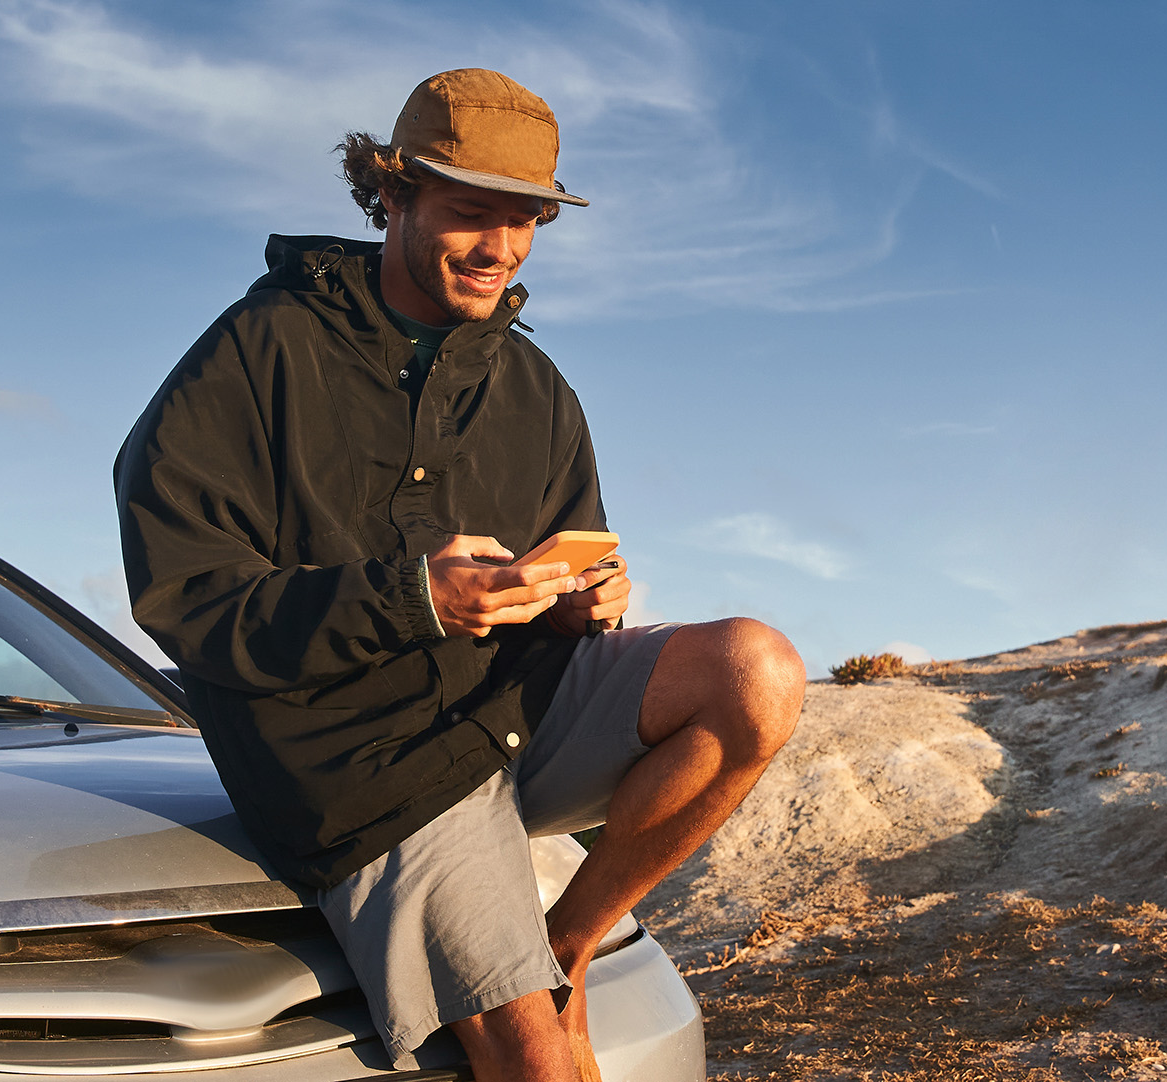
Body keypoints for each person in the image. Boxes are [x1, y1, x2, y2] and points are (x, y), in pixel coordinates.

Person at [114, 68, 804, 1082]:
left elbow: (580, 555)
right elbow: (188, 594)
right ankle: (535, 996)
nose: (501, 248)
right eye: (470, 213)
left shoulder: (535, 384)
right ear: (390, 195)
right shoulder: (256, 350)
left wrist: (583, 603)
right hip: (364, 765)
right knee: (538, 1064)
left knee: (760, 670)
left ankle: (564, 948)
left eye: (525, 220)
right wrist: (412, 596)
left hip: (513, 716)